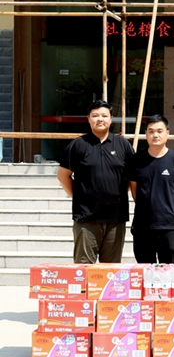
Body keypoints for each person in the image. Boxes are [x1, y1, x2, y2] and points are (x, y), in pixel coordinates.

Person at [57, 99, 134, 264]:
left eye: (104, 116)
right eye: (95, 115)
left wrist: (118, 193)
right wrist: (79, 197)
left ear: (111, 119)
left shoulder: (123, 145)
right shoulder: (78, 145)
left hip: (115, 217)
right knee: (84, 268)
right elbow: (63, 175)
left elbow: (132, 177)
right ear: (88, 119)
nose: (100, 119)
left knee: (111, 270)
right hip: (86, 218)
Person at [128, 115, 174, 265]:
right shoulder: (136, 160)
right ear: (146, 134)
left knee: (168, 273)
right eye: (151, 131)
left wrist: (171, 209)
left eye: (159, 131)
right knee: (144, 272)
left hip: (169, 228)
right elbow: (135, 191)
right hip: (143, 227)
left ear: (167, 133)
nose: (155, 135)